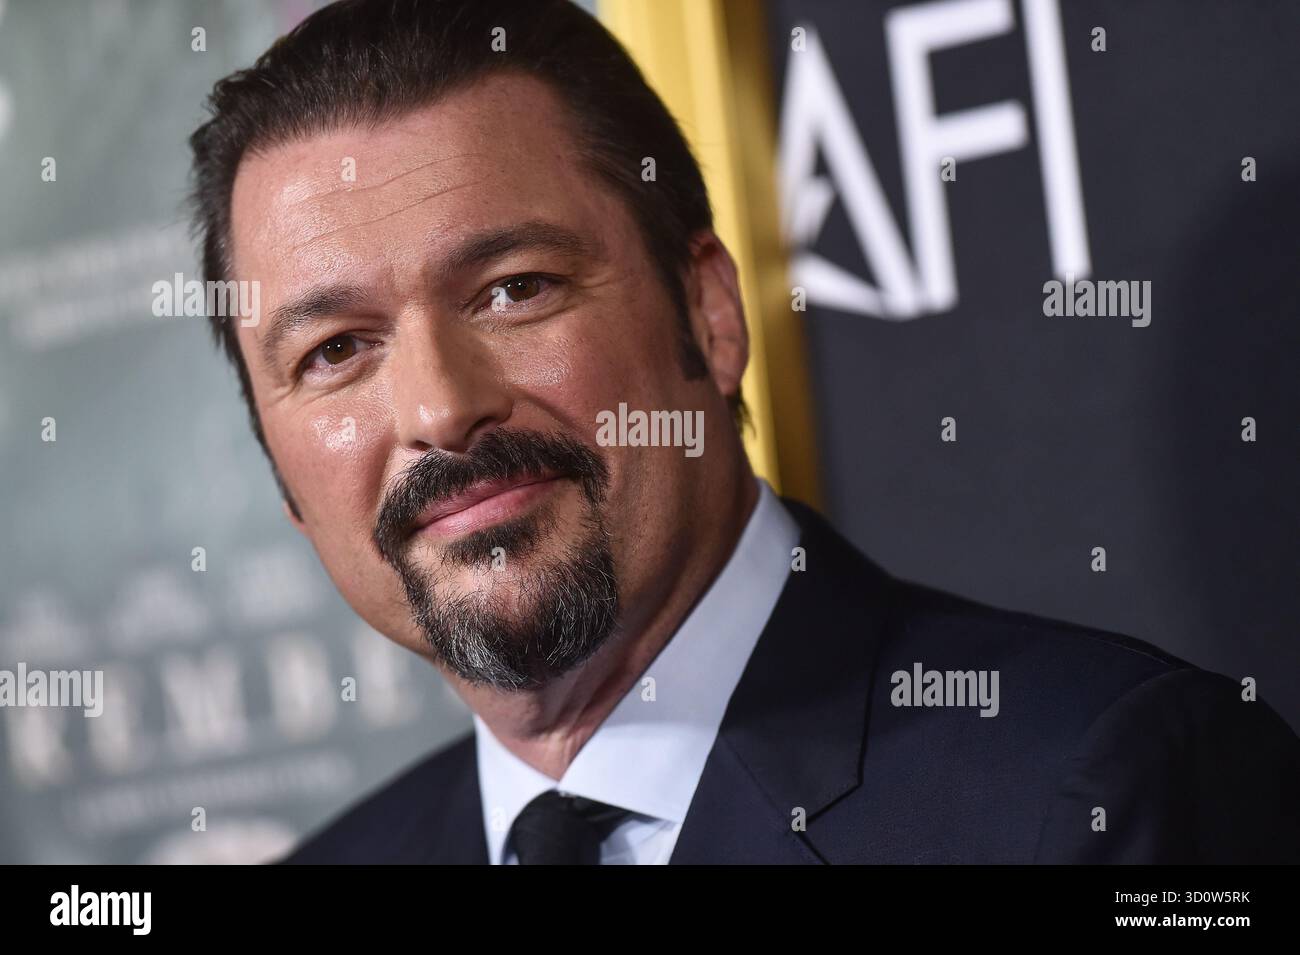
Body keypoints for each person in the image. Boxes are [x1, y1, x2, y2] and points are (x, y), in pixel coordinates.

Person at [188, 0, 1300, 864]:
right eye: (334, 351)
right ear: (281, 477)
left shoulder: (1102, 795)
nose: (438, 407)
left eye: (514, 289)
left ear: (709, 315)